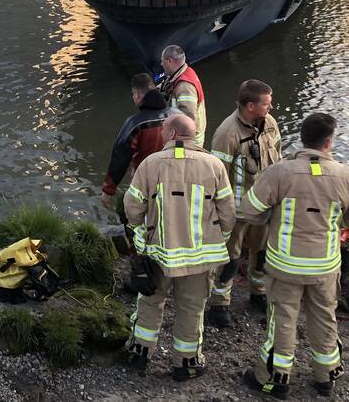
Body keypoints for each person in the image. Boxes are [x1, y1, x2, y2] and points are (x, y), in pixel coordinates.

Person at [240, 113, 349, 399]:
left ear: (302, 138)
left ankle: (275, 378)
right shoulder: (347, 176)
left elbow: (249, 210)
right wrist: (340, 220)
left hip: (284, 264)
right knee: (325, 317)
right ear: (328, 142)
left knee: (282, 319)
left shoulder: (279, 173)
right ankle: (326, 376)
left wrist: (271, 217)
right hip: (325, 265)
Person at [124, 114, 236, 381]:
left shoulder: (151, 163)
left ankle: (139, 354)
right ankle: (186, 364)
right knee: (192, 310)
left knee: (150, 302)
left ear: (173, 134)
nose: (162, 134)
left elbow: (132, 207)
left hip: (158, 254)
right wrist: (220, 240)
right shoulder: (214, 165)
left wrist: (140, 238)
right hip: (198, 258)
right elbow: (228, 213)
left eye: (164, 130)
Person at [206, 79, 282, 328]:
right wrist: (219, 212)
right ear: (251, 106)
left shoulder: (269, 124)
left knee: (261, 254)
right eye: (267, 104)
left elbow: (278, 159)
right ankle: (219, 304)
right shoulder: (227, 134)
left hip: (263, 208)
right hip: (236, 213)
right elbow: (215, 176)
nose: (271, 108)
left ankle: (258, 293)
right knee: (230, 259)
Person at [99, 73, 173, 241]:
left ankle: (139, 247)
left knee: (130, 214)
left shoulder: (135, 123)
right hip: (175, 179)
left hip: (146, 182)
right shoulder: (174, 115)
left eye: (133, 94)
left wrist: (108, 190)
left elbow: (120, 157)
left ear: (138, 94)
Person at [158, 45, 206, 149]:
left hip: (186, 142)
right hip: (180, 137)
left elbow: (188, 121)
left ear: (169, 61)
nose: (161, 64)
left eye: (162, 61)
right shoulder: (183, 72)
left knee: (179, 158)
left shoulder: (184, 86)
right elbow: (166, 87)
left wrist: (178, 145)